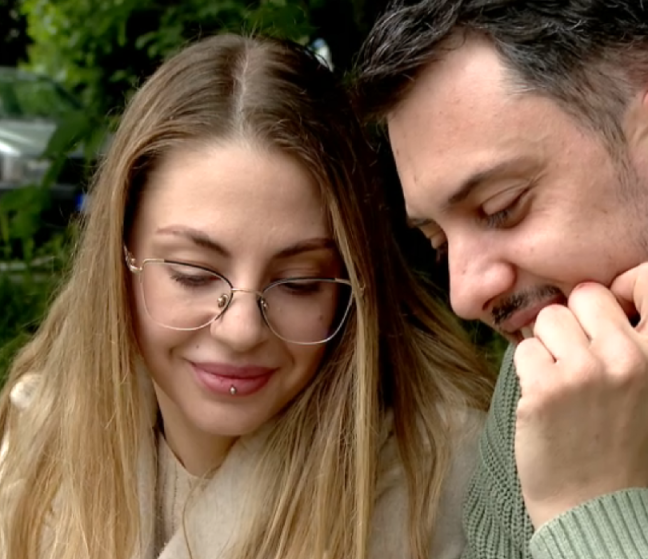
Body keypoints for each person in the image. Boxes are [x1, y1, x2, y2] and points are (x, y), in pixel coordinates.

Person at [354, 0, 648, 557]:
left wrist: (591, 504)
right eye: (439, 242)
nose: (465, 294)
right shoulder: (555, 376)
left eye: (501, 208)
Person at [0, 33, 495, 559]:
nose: (241, 330)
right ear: (120, 258)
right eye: (193, 273)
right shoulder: (39, 439)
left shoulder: (442, 477)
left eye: (299, 282)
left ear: (354, 286)